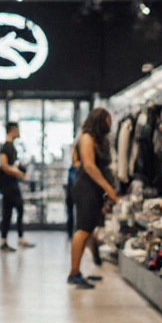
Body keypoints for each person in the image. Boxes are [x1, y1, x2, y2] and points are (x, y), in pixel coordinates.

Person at [69, 108, 118, 289]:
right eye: (107, 120)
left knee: (88, 229)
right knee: (83, 229)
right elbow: (89, 166)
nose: (109, 124)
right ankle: (73, 272)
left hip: (93, 189)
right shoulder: (87, 137)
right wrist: (108, 189)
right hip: (85, 188)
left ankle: (79, 270)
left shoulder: (99, 140)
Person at [0, 122, 34, 252]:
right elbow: (4, 165)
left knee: (15, 209)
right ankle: (8, 240)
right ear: (12, 130)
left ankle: (15, 238)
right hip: (8, 185)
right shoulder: (6, 147)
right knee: (12, 210)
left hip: (11, 183)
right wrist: (19, 174)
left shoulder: (11, 147)